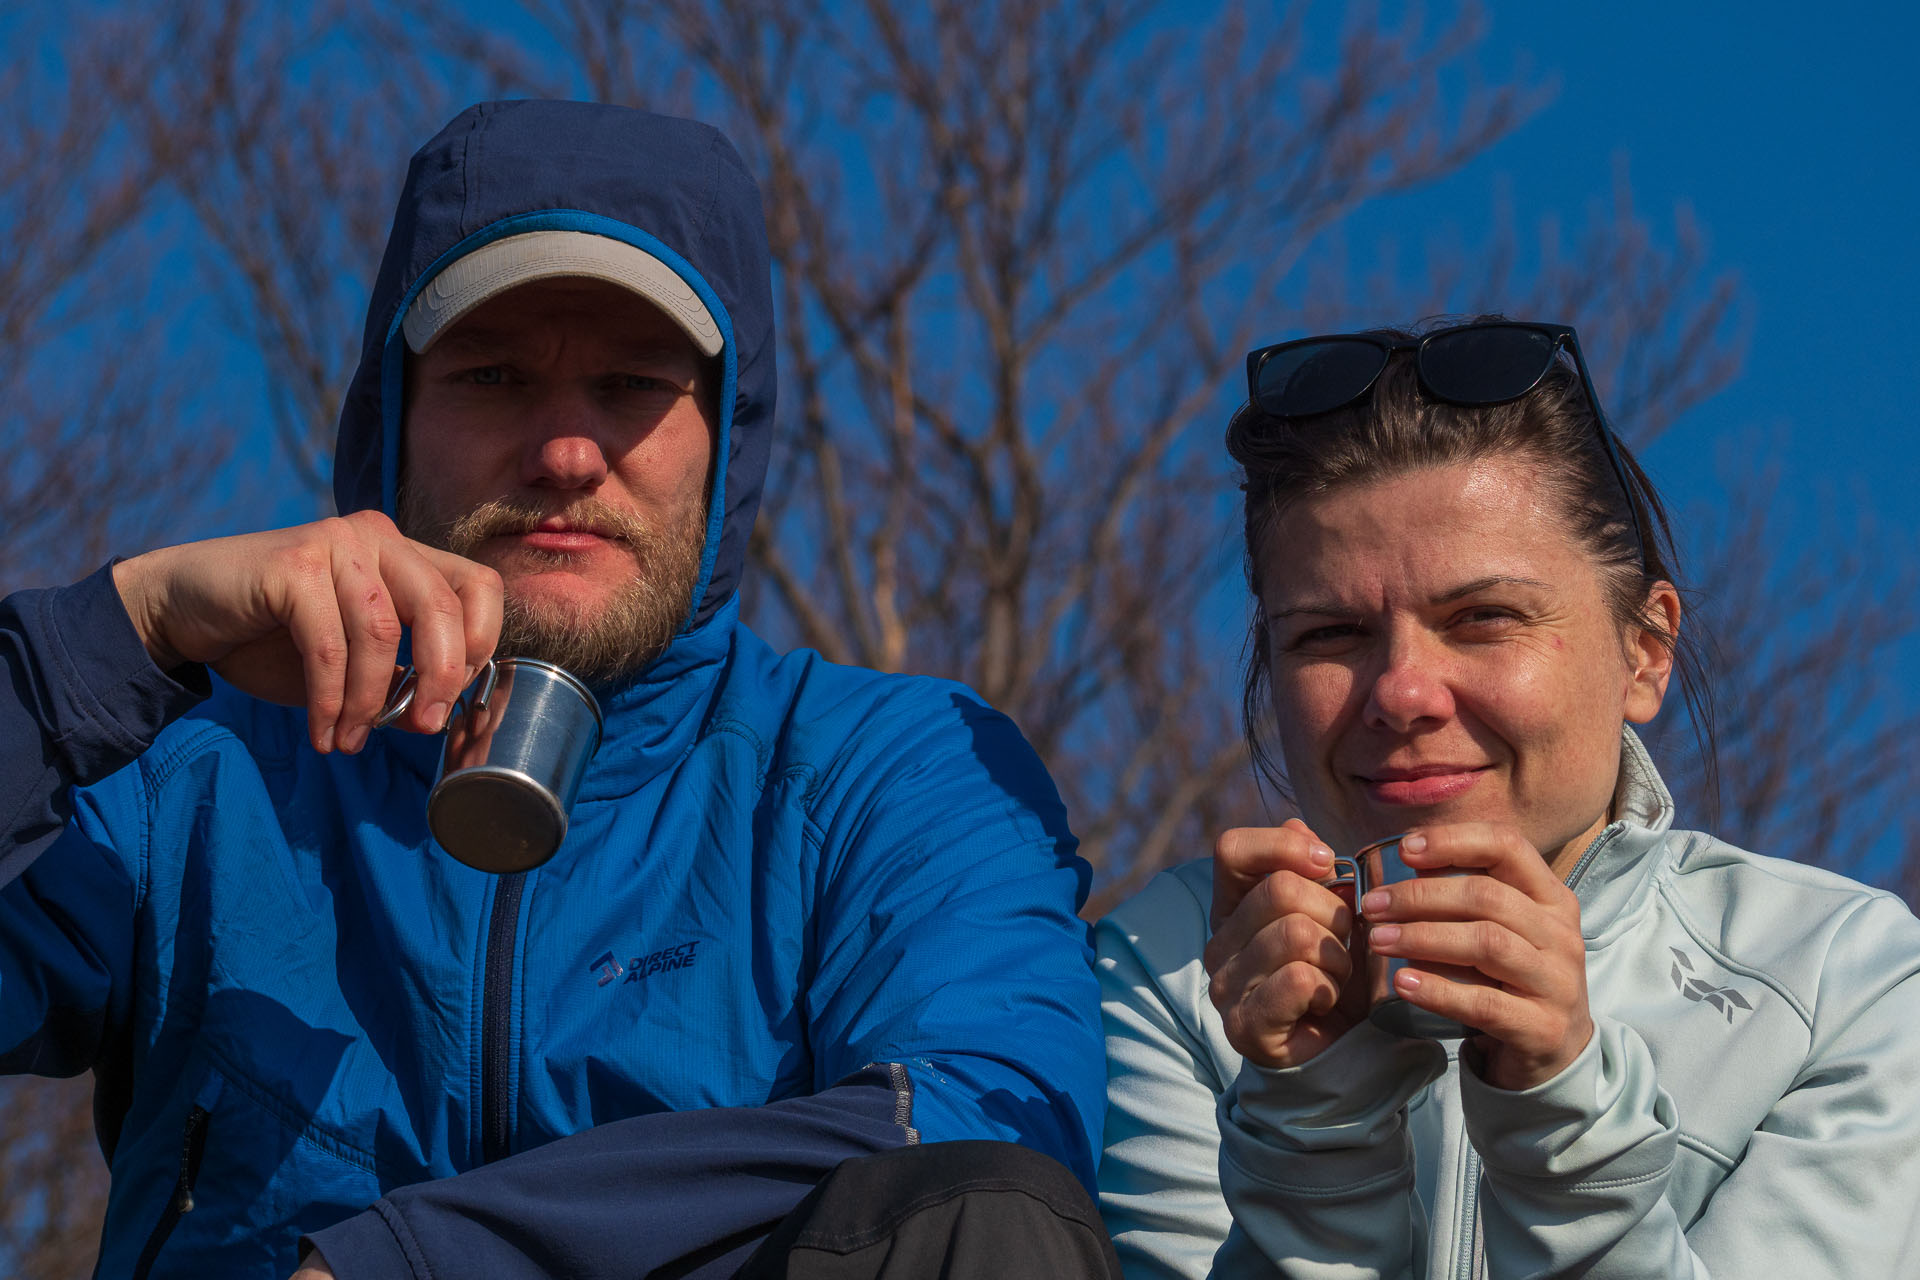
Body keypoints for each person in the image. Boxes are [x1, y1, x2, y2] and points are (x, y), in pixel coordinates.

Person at [0, 100, 1115, 1280]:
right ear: (396, 421)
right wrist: (125, 630)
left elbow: (986, 1117)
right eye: (494, 375)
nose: (569, 453)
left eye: (633, 384)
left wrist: (414, 1260)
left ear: (725, 441)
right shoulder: (190, 770)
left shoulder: (894, 770)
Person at [1094, 319, 1920, 1277]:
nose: (1401, 692)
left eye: (1483, 618)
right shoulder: (1170, 965)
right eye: (1329, 635)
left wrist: (1566, 1120)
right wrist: (1311, 1113)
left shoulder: (1843, 980)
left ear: (1645, 653)